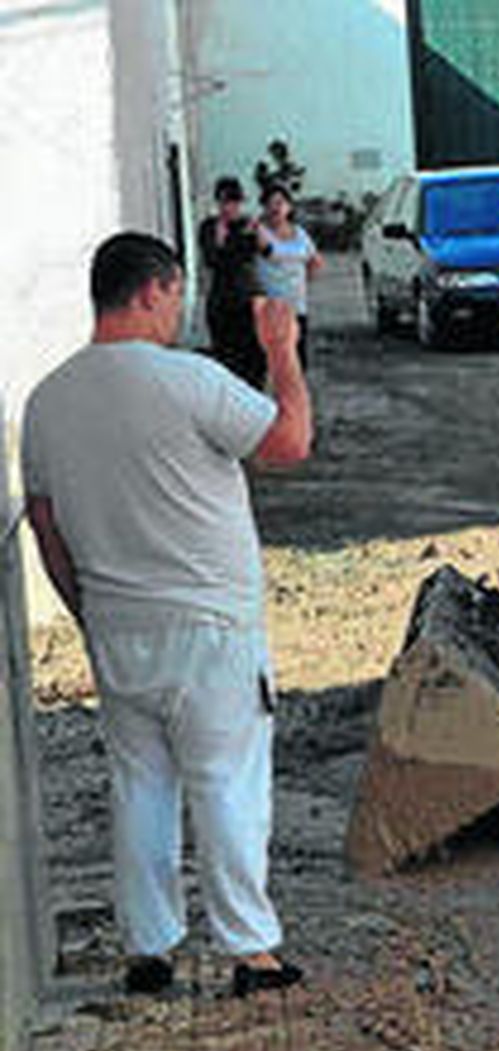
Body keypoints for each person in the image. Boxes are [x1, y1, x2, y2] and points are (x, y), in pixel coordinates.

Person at [22, 232, 313, 999]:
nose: (179, 310)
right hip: (211, 626)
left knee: (139, 788)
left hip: (118, 625)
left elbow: (46, 527)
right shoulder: (189, 380)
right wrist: (281, 351)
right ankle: (250, 950)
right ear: (152, 289)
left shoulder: (47, 402)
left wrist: (89, 614)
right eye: (177, 294)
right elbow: (289, 442)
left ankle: (148, 949)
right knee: (226, 784)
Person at [198, 176, 268, 387]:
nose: (230, 207)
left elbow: (266, 251)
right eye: (225, 202)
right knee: (226, 357)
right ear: (218, 202)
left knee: (255, 358)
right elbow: (211, 260)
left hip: (249, 297)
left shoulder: (248, 224)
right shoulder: (209, 227)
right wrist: (220, 239)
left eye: (235, 202)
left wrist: (259, 234)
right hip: (222, 300)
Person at [255, 183, 323, 370]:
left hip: (297, 307)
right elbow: (269, 253)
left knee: (298, 363)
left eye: (280, 203)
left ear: (289, 206)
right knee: (275, 364)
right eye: (270, 203)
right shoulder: (259, 231)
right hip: (271, 309)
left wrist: (300, 283)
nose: (275, 208)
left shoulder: (300, 233)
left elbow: (315, 261)